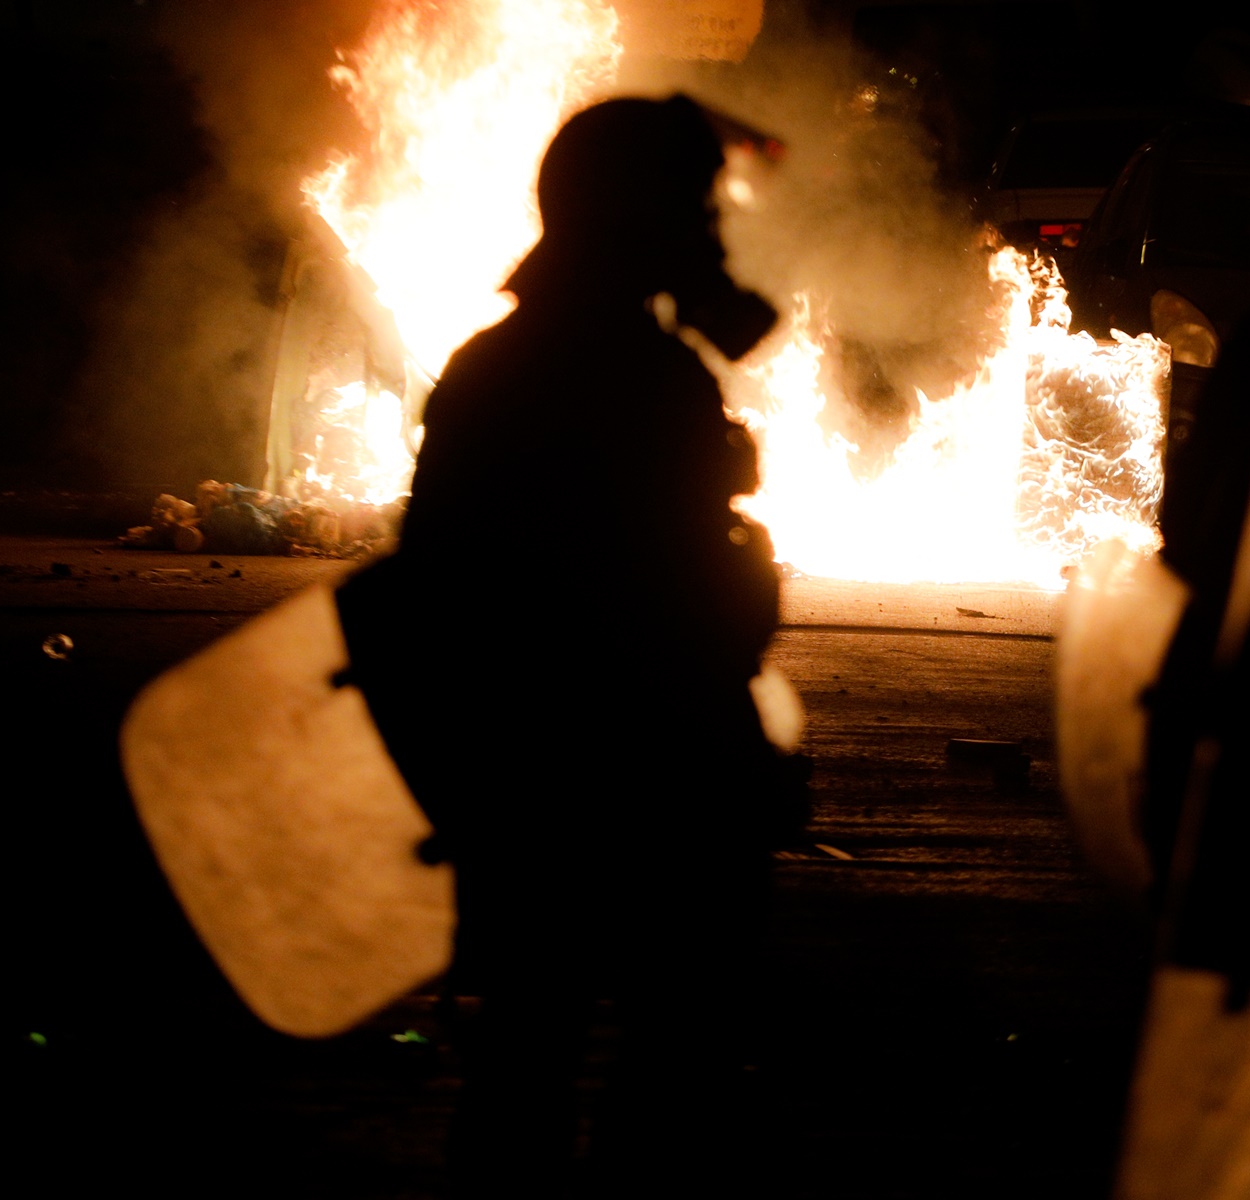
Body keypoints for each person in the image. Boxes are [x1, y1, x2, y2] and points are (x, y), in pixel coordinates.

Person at [333, 94, 794, 1195]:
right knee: (633, 1075)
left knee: (536, 1060)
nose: (713, 230)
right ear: (634, 216)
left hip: (565, 784)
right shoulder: (612, 373)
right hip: (615, 780)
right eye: (694, 205)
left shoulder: (531, 360)